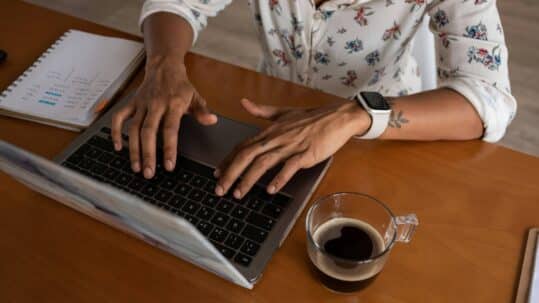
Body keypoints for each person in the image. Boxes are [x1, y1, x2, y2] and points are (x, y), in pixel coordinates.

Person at [111, 0, 516, 200]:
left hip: (386, 137)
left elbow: (489, 99)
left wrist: (353, 115)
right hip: (272, 109)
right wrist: (163, 64)